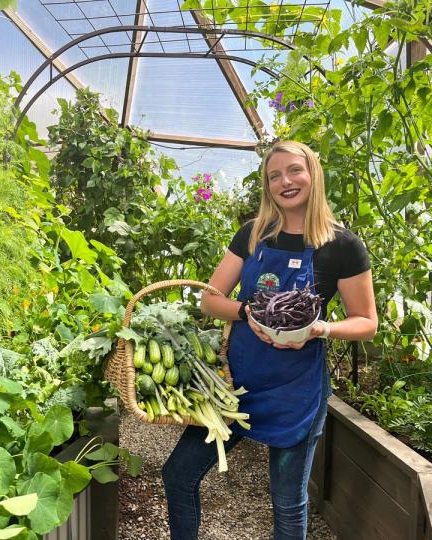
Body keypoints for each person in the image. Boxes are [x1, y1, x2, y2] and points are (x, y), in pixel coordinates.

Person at [161, 140, 378, 539]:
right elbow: (211, 300)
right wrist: (246, 312)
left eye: (295, 170)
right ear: (267, 186)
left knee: (288, 504)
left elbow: (366, 321)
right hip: (235, 386)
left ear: (313, 174)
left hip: (295, 393)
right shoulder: (253, 234)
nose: (285, 181)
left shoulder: (342, 247)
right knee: (177, 474)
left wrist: (320, 329)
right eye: (274, 175)